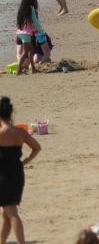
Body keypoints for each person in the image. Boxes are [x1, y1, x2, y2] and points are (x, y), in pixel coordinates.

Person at [0, 96, 40, 244]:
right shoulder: (20, 132)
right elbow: (37, 148)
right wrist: (25, 162)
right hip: (17, 173)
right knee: (7, 213)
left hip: (3, 176)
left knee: (12, 213)